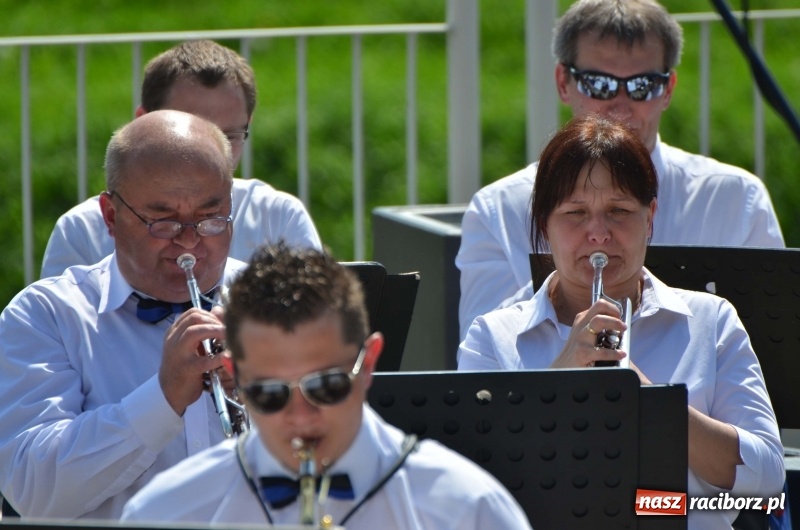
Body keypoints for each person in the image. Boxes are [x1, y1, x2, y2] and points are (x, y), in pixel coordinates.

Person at [458, 114, 784, 529]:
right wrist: (557, 385)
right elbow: (476, 491)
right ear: (544, 225)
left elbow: (768, 481)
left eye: (619, 210)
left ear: (650, 218)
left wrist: (649, 400)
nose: (598, 233)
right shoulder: (492, 337)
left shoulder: (712, 320)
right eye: (575, 212)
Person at [121, 243, 533, 529]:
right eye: (269, 393)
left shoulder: (469, 510)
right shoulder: (166, 513)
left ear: (368, 363)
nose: (301, 416)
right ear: (235, 376)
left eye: (327, 385)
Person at [456, 0, 785, 340]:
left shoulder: (737, 198)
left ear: (668, 89)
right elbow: (482, 357)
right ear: (563, 82)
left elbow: (773, 346)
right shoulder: (498, 209)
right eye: (600, 84)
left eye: (643, 85)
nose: (621, 106)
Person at [0, 110, 250, 519]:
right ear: (112, 217)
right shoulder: (46, 316)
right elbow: (32, 489)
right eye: (164, 222)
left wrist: (269, 396)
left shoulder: (276, 303)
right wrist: (163, 397)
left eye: (209, 219)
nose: (189, 243)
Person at [41, 39, 321, 279]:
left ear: (248, 124)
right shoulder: (82, 230)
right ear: (143, 122)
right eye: (189, 132)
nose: (210, 149)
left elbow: (316, 319)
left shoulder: (278, 217)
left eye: (230, 135)